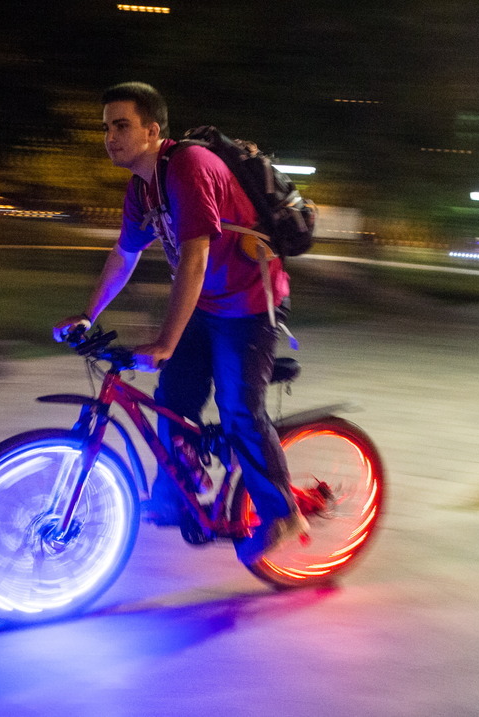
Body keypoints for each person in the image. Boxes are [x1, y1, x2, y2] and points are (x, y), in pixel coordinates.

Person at [53, 82, 307, 566]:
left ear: (152, 130)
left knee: (238, 408)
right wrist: (89, 314)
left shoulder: (189, 167)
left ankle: (283, 512)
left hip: (251, 304)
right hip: (207, 304)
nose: (110, 136)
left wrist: (167, 340)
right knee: (172, 401)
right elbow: (124, 254)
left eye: (121, 125)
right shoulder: (142, 187)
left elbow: (194, 258)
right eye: (106, 127)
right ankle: (182, 494)